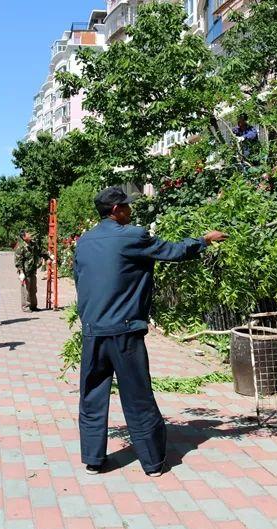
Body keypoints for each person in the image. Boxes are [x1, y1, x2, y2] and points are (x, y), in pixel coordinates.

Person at [74, 186, 227, 477]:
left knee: (92, 396)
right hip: (124, 331)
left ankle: (93, 460)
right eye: (127, 206)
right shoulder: (132, 236)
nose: (131, 210)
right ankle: (153, 462)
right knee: (137, 396)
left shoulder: (84, 241)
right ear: (117, 210)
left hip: (93, 331)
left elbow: (81, 282)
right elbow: (174, 251)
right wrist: (204, 240)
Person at [14, 230, 52, 312]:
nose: (30, 234)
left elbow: (41, 251)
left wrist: (47, 258)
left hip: (32, 271)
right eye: (28, 233)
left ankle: (33, 306)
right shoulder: (20, 247)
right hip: (25, 272)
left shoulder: (33, 244)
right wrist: (21, 272)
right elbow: (18, 261)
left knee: (33, 289)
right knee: (25, 291)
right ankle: (26, 307)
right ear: (24, 237)